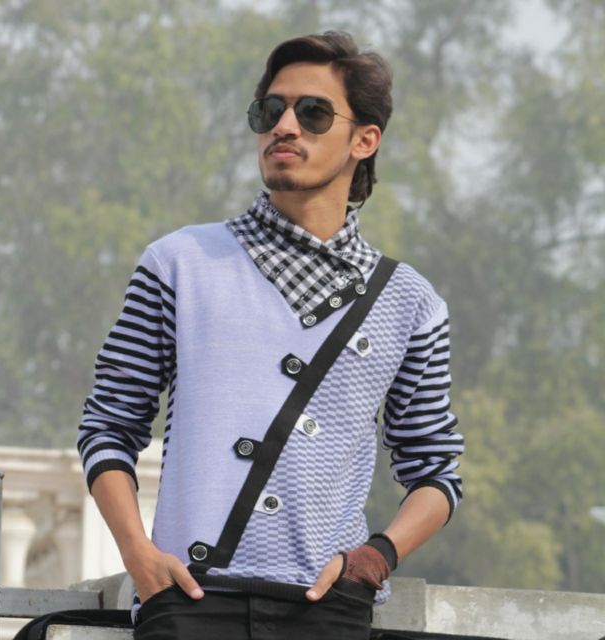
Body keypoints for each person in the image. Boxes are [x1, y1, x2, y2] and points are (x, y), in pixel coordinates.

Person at [77, 31, 464, 640]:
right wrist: (139, 557)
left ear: (364, 140)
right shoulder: (178, 264)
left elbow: (436, 469)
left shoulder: (409, 302)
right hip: (188, 599)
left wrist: (373, 560)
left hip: (326, 608)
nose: (284, 126)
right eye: (269, 110)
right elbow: (109, 424)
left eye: (312, 112)